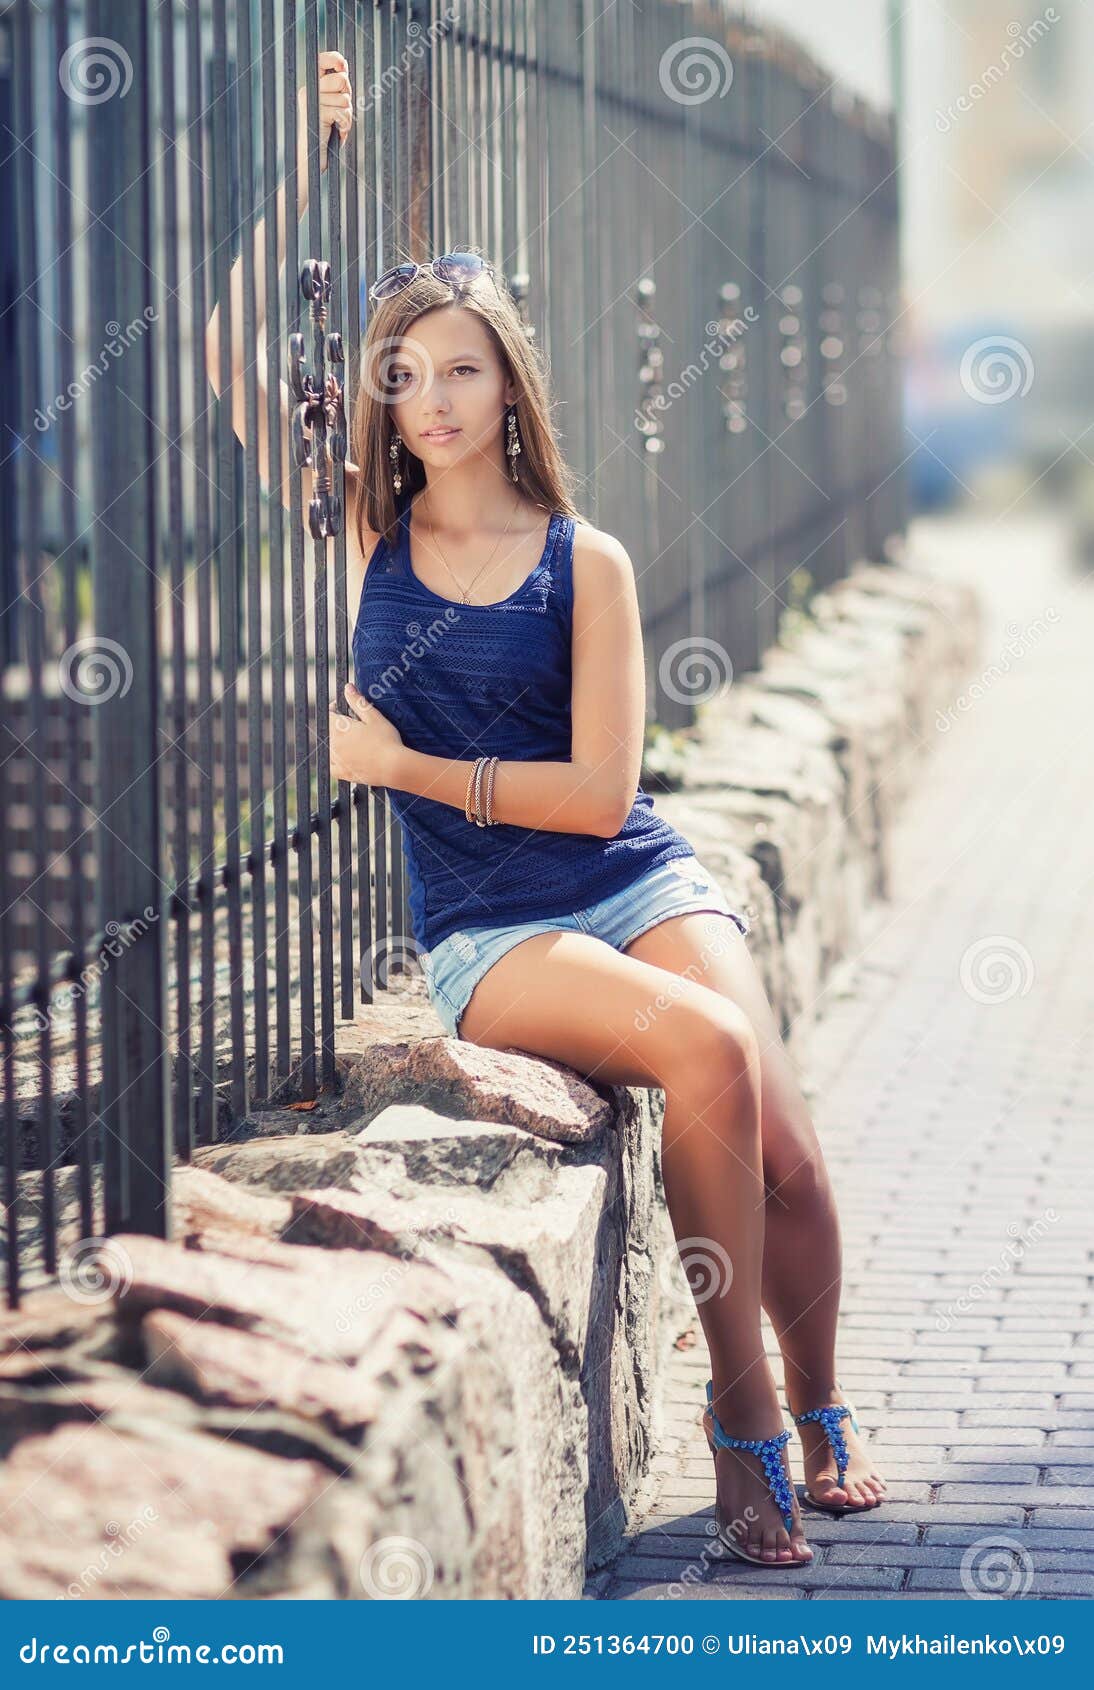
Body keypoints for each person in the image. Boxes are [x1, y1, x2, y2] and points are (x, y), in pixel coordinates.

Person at [206, 49, 887, 1572]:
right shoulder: (364, 528)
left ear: (507, 377)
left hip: (627, 871)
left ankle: (830, 1405)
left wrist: (404, 769)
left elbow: (597, 793)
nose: (429, 397)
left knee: (786, 1146)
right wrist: (310, 163)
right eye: (402, 373)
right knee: (702, 1047)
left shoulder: (588, 560)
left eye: (458, 367)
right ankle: (743, 1419)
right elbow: (224, 346)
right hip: (493, 926)